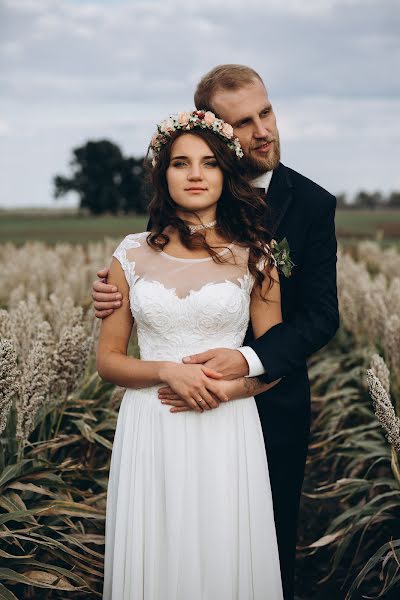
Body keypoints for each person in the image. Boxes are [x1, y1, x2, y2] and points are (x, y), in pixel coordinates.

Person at [93, 65, 339, 600]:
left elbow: (322, 316)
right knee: (166, 550)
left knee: (259, 552)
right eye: (245, 123)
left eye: (266, 113)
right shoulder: (176, 199)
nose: (263, 131)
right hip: (157, 414)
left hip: (261, 403)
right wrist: (117, 295)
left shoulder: (312, 205)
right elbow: (151, 274)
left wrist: (245, 368)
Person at [98, 109, 285, 599]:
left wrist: (231, 389)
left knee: (222, 553)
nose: (196, 174)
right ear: (164, 175)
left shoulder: (258, 254)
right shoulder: (130, 253)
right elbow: (109, 360)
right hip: (151, 423)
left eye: (209, 163)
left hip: (228, 425)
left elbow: (278, 359)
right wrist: (165, 371)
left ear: (226, 173)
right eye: (181, 163)